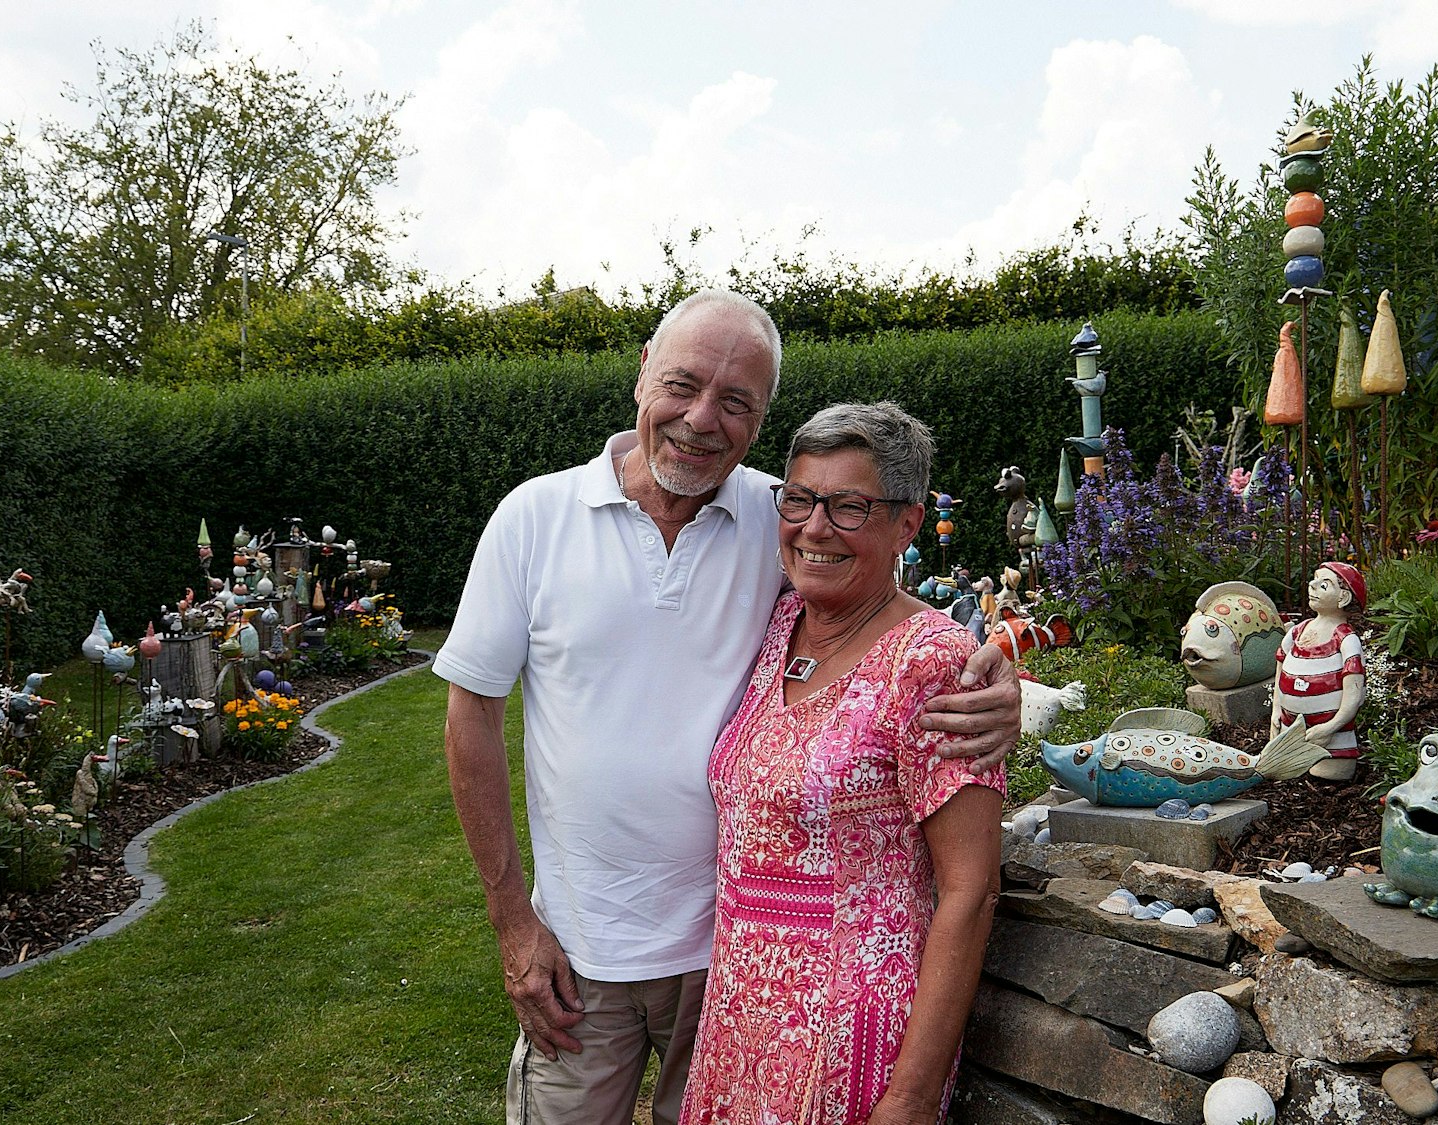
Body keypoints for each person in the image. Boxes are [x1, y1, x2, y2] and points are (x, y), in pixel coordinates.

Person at [434, 290, 1019, 1124]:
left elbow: (893, 609)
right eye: (683, 384)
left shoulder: (776, 514)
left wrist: (999, 672)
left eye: (736, 402)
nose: (701, 419)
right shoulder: (535, 517)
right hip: (578, 954)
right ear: (642, 374)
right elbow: (471, 720)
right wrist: (511, 921)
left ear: (759, 420)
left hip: (724, 966)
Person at [679, 402, 1000, 1124]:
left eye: (850, 506)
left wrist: (912, 1097)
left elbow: (971, 888)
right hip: (741, 1020)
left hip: (853, 1036)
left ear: (907, 525)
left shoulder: (932, 662)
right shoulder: (778, 623)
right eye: (800, 498)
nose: (815, 527)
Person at [1269, 561, 1368, 781]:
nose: (1312, 585)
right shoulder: (1297, 631)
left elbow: (1354, 695)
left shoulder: (1346, 640)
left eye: (1323, 585)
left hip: (1332, 739)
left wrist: (1330, 727)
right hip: (1289, 729)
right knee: (1283, 772)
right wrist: (1276, 710)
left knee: (1325, 777)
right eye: (1314, 579)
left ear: (1343, 598)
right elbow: (1280, 667)